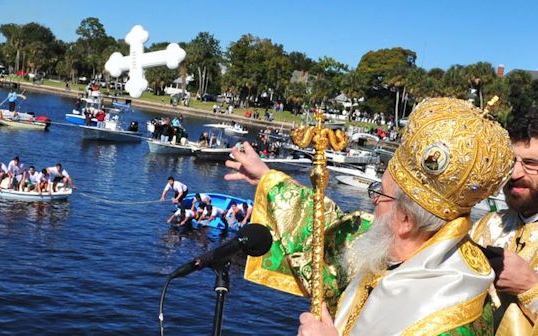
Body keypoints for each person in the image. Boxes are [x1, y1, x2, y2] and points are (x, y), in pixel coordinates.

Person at [225, 98, 515, 335]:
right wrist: (268, 178)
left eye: (379, 192)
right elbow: (335, 229)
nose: (372, 202)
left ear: (405, 222)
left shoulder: (448, 320)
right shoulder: (412, 251)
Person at [471, 107, 538, 335]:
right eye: (510, 161)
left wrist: (531, 288)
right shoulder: (487, 225)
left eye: (531, 163)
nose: (514, 173)